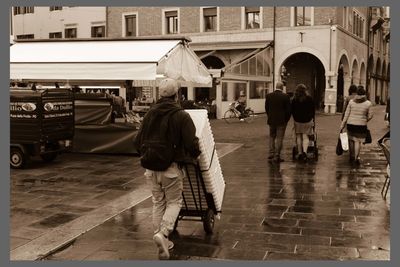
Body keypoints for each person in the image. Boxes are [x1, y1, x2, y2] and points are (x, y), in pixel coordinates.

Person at [133, 78, 201, 260]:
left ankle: (160, 236)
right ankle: (163, 233)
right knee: (174, 202)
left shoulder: (149, 114)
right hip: (171, 168)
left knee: (158, 201)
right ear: (176, 95)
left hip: (150, 168)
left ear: (159, 95)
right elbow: (191, 143)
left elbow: (136, 141)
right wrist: (196, 155)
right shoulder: (181, 115)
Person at [340, 85, 373, 165]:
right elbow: (370, 115)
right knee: (358, 141)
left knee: (351, 140)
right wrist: (365, 120)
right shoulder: (368, 103)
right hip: (361, 125)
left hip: (351, 124)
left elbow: (346, 114)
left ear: (357, 94)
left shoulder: (351, 102)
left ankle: (351, 156)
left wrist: (342, 124)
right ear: (364, 94)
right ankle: (356, 158)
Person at [265, 81, 291, 163]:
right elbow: (288, 110)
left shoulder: (269, 96)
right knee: (280, 138)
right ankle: (277, 155)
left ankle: (271, 153)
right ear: (282, 87)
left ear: (275, 87)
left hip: (271, 120)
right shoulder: (285, 97)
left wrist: (270, 116)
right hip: (281, 121)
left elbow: (267, 108)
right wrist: (286, 119)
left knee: (272, 136)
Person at [291, 84, 315, 162]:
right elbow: (313, 110)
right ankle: (305, 152)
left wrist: (295, 118)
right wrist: (311, 118)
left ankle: (300, 153)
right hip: (307, 120)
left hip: (298, 121)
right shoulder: (309, 98)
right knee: (305, 137)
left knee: (298, 137)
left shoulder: (294, 99)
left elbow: (292, 110)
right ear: (305, 90)